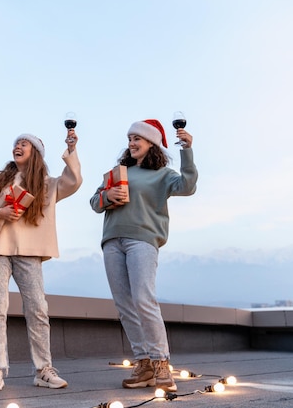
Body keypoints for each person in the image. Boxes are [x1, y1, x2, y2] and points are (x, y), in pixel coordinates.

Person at [89, 119, 197, 392]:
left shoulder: (162, 174)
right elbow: (94, 203)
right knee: (124, 305)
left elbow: (188, 186)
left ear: (151, 143)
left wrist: (187, 150)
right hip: (112, 240)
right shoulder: (118, 172)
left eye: (137, 138)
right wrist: (107, 195)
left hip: (143, 240)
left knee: (143, 299)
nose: (132, 143)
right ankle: (144, 363)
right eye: (129, 139)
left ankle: (161, 362)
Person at [0, 130, 82, 391]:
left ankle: (43, 370)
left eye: (24, 143)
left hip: (30, 251)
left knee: (38, 309)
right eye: (16, 143)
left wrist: (71, 149)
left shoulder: (48, 183)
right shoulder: (0, 181)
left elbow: (74, 180)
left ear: (35, 152)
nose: (18, 146)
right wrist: (1, 212)